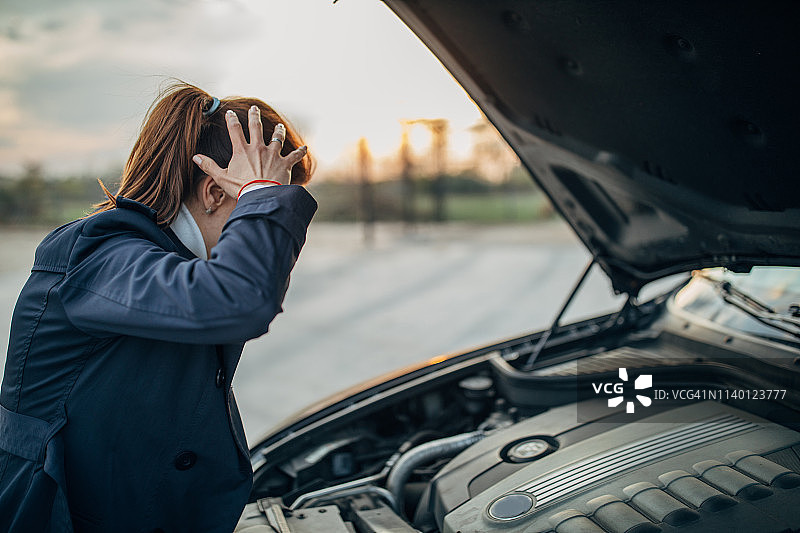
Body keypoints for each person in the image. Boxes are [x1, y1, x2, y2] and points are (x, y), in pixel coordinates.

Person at [0, 82, 317, 532]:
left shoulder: (168, 258)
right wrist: (263, 193)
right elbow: (238, 301)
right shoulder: (97, 255)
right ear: (212, 194)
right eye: (254, 204)